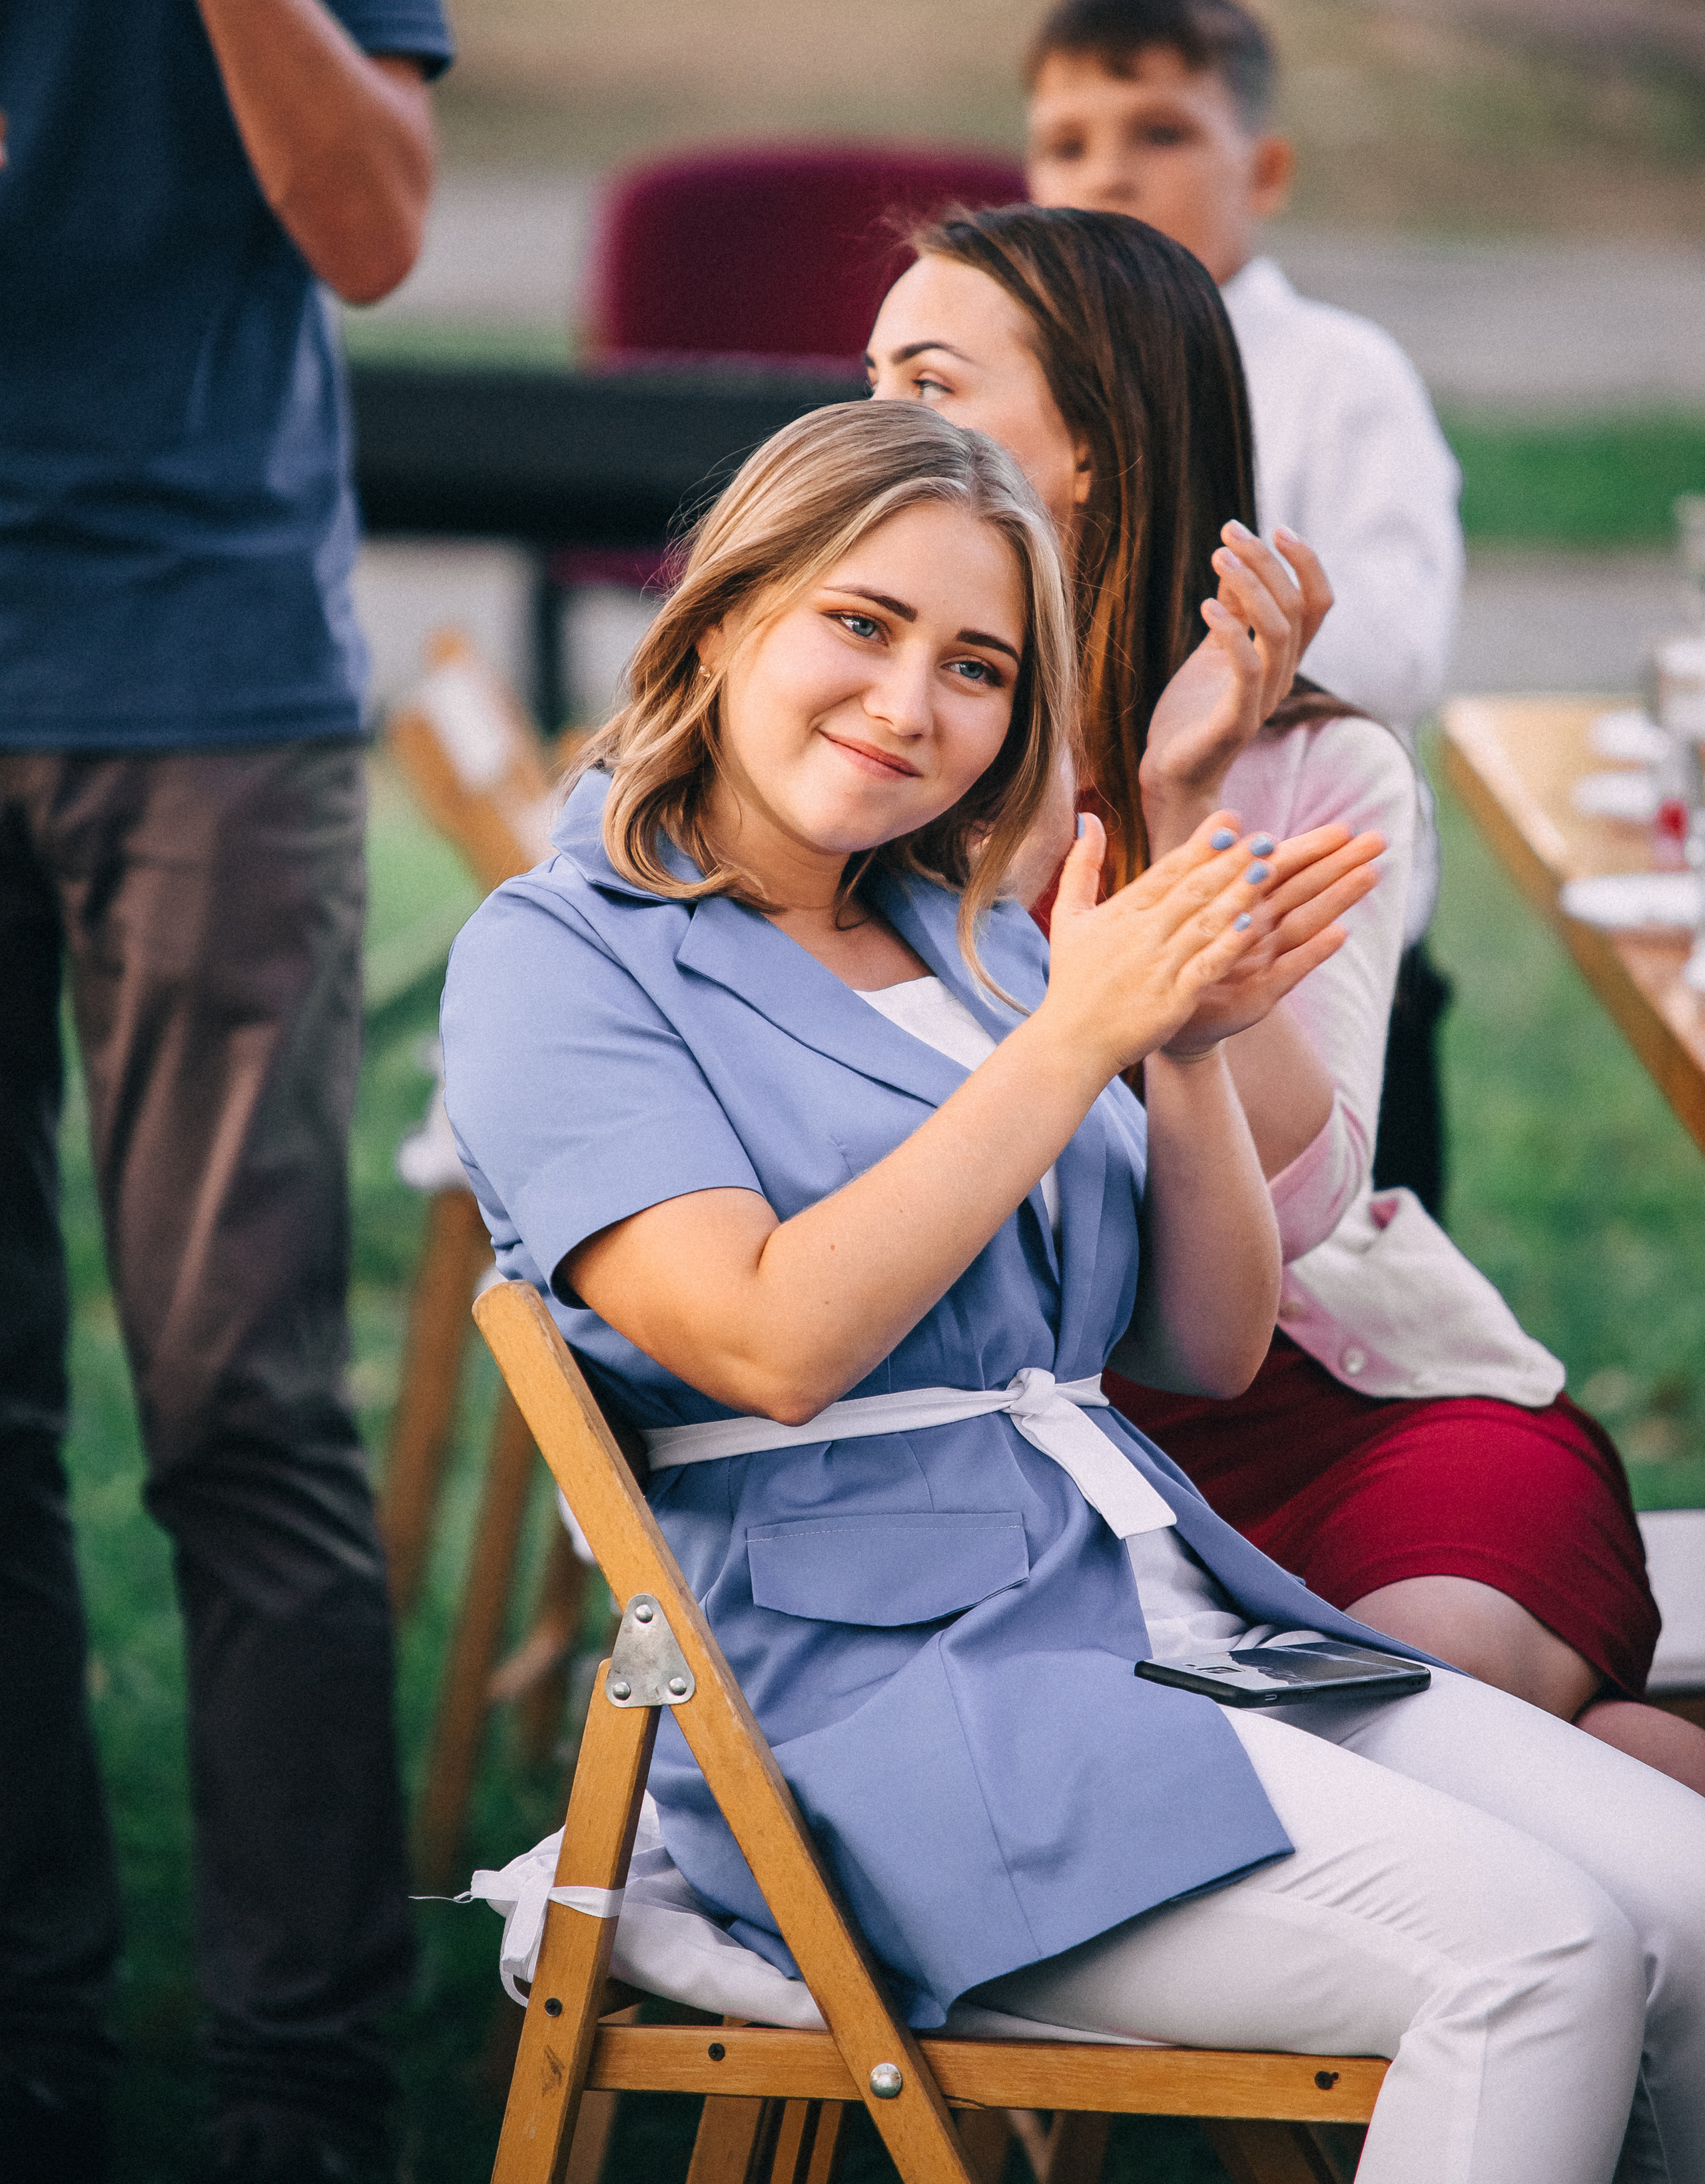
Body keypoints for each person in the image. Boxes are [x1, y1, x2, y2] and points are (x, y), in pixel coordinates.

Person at [442, 398, 1705, 2183]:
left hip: (1165, 1623)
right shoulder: (564, 960)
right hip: (890, 1719)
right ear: (721, 620)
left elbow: (1202, 1342)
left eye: (975, 667)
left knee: (1688, 1902)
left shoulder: (953, 930)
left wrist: (1178, 1050)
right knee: (1540, 1956)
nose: (908, 704)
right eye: (861, 624)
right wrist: (1069, 1039)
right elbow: (769, 1340)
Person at [866, 202, 1705, 1796]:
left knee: (1415, 1716)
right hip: (1037, 1447)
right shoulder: (867, 737)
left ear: (1091, 444)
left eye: (930, 385)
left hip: (1345, 1411)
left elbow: (1304, 1202)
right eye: (869, 381)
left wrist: (1177, 817)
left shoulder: (1315, 766)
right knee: (1497, 1775)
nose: (872, 426)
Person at [0, 0, 452, 2180]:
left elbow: (372, 231)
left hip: (202, 681)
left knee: (239, 1404)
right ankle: (27, 2032)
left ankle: (303, 2080)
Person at [1024, 0, 1462, 1216]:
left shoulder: (1340, 376)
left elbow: (1398, 645)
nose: (1109, 173)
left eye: (1161, 133)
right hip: (1083, 923)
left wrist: (1189, 617)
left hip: (1309, 932)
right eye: (1067, 144)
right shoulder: (1028, 381)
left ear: (1263, 171)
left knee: (1329, 1236)